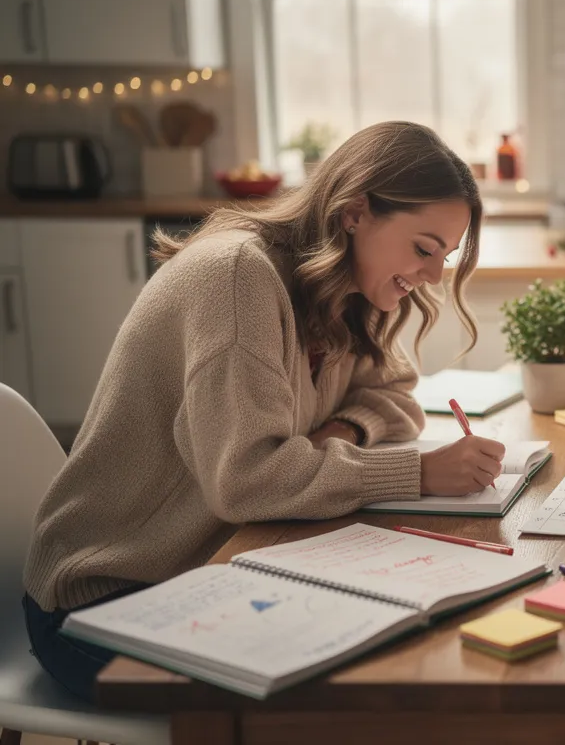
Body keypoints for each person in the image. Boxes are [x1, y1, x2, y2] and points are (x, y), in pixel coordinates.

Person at [22, 121, 506, 702]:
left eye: (445, 256)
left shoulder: (353, 285)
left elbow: (396, 397)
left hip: (216, 568)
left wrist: (338, 432)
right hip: (108, 597)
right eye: (424, 249)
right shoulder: (236, 276)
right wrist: (420, 472)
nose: (432, 275)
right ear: (354, 212)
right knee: (348, 691)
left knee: (412, 638)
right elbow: (249, 482)